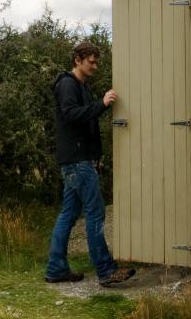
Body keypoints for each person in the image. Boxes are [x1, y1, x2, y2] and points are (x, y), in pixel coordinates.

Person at [44, 41, 136, 287]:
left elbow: (85, 119)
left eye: (97, 61)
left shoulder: (81, 86)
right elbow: (72, 115)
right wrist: (102, 104)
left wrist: (96, 156)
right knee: (95, 212)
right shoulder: (67, 85)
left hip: (80, 159)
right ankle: (106, 270)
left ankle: (56, 269)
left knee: (69, 213)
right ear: (77, 60)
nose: (95, 65)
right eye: (91, 61)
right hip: (77, 161)